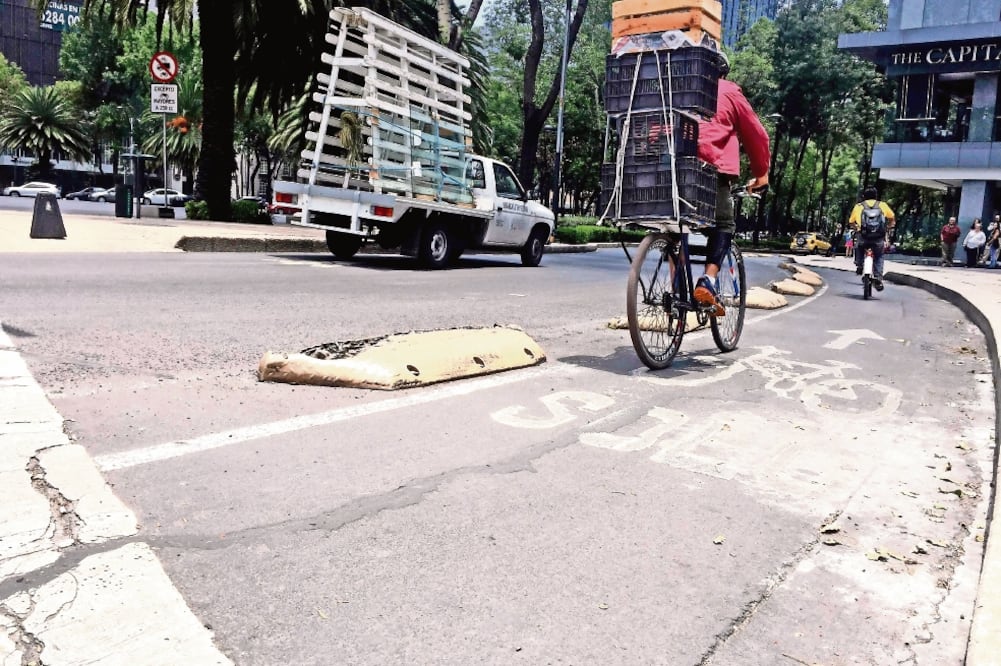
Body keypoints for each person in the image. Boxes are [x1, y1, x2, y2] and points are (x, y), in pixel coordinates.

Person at [694, 51, 771, 314]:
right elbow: (757, 135)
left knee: (675, 228)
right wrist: (761, 174)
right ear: (723, 72)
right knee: (723, 224)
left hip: (665, 164)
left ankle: (675, 287)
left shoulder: (678, 91)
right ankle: (708, 280)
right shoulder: (728, 90)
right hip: (708, 167)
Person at [847, 186, 895, 291]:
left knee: (858, 246)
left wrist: (857, 228)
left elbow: (851, 222)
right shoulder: (882, 205)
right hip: (878, 237)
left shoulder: (859, 206)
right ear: (876, 196)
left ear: (864, 196)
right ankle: (878, 277)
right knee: (879, 256)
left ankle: (859, 264)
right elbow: (892, 218)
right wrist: (888, 227)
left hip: (863, 236)